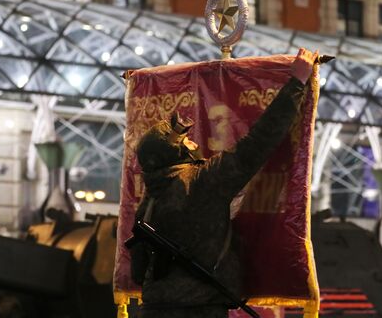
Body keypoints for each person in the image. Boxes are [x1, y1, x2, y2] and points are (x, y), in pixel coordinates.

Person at [130, 49, 319, 318]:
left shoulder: (146, 204)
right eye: (185, 140)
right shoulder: (201, 181)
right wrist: (296, 84)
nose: (193, 142)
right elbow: (258, 142)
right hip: (200, 311)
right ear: (176, 153)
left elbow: (138, 273)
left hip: (152, 310)